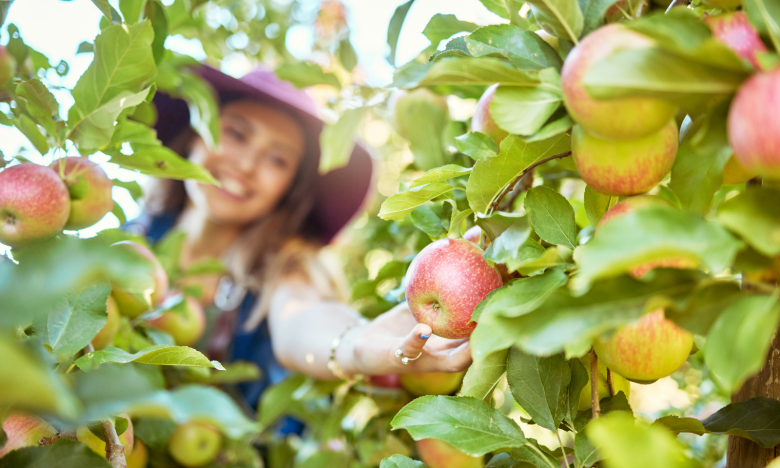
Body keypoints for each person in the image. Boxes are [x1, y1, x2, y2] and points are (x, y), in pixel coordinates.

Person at [129, 66, 472, 417]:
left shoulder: (281, 269)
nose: (247, 165)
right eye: (236, 133)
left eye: (277, 159)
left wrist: (353, 343)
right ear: (195, 133)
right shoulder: (126, 243)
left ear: (289, 187)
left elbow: (303, 315)